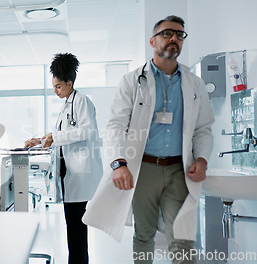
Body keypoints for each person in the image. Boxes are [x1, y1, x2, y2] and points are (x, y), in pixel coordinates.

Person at [82, 15, 215, 264]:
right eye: (167, 33)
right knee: (144, 234)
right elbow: (115, 126)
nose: (174, 38)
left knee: (182, 236)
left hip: (179, 170)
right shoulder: (133, 81)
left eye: (179, 34)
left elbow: (203, 128)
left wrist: (203, 158)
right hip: (143, 169)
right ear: (153, 41)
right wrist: (118, 163)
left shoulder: (194, 84)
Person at [25, 53, 103, 264]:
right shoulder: (67, 104)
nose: (55, 90)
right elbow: (60, 135)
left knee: (76, 228)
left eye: (58, 86)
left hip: (80, 174)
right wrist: (39, 140)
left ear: (69, 83)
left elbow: (87, 131)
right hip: (70, 172)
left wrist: (54, 137)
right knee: (74, 227)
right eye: (54, 86)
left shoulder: (82, 101)